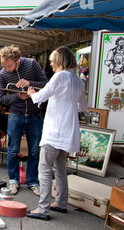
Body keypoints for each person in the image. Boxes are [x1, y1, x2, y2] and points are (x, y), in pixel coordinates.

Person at [25, 47, 87, 221]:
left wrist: (31, 92)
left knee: (44, 169)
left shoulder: (60, 76)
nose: (50, 64)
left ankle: (43, 208)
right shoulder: (78, 80)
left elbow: (40, 97)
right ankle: (61, 202)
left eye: (53, 60)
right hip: (69, 131)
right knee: (60, 169)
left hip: (54, 131)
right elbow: (82, 107)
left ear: (60, 61)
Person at [0, 45, 48, 196]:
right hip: (15, 114)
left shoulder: (31, 64)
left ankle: (33, 181)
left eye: (9, 65)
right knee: (12, 150)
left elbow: (46, 84)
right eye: (4, 66)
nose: (6, 69)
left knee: (34, 150)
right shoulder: (3, 74)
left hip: (34, 114)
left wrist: (30, 83)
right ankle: (13, 180)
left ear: (17, 59)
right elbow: (0, 98)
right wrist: (17, 96)